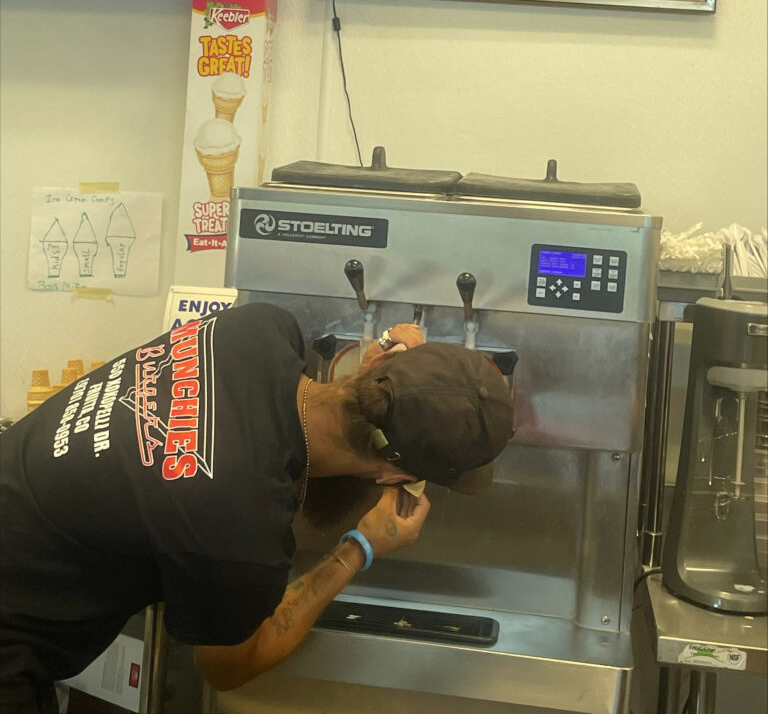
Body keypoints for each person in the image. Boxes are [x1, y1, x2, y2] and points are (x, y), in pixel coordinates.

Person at [0, 302, 514, 712]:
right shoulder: (236, 528)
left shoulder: (258, 327)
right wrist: (359, 549)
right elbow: (226, 665)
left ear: (380, 362)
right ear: (395, 477)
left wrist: (377, 365)